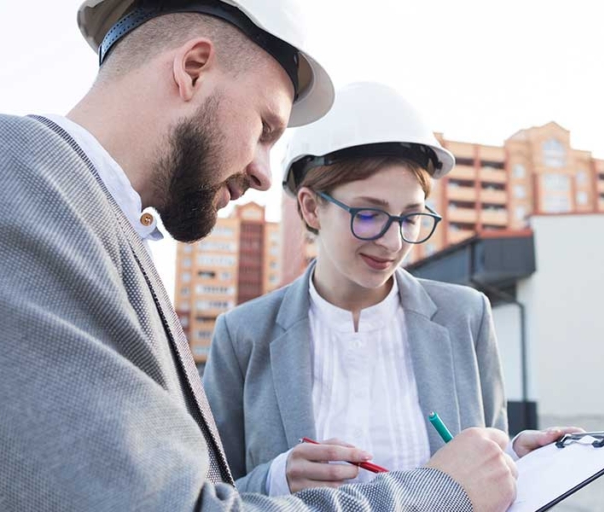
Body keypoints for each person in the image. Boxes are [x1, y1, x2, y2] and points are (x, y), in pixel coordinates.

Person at [0, 1, 518, 511]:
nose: (262, 174)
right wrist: (439, 491)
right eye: (265, 129)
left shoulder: (82, 220)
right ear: (193, 69)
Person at [203, 82, 581, 496]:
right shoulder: (243, 334)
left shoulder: (466, 316)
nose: (393, 242)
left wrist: (515, 457)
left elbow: (488, 455)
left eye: (411, 217)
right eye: (369, 214)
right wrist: (274, 478)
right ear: (311, 207)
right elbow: (204, 492)